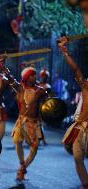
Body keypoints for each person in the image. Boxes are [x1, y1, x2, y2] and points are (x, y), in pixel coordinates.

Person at [3, 64, 47, 181]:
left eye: (34, 74)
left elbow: (48, 105)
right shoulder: (20, 89)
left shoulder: (40, 91)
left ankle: (22, 167)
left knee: (35, 148)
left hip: (34, 123)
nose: (34, 76)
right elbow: (11, 79)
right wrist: (5, 69)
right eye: (31, 75)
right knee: (17, 142)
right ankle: (22, 165)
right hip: (22, 121)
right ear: (26, 77)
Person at [58, 36, 88, 188]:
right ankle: (85, 184)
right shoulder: (86, 85)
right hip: (80, 127)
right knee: (77, 157)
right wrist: (65, 52)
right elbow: (75, 69)